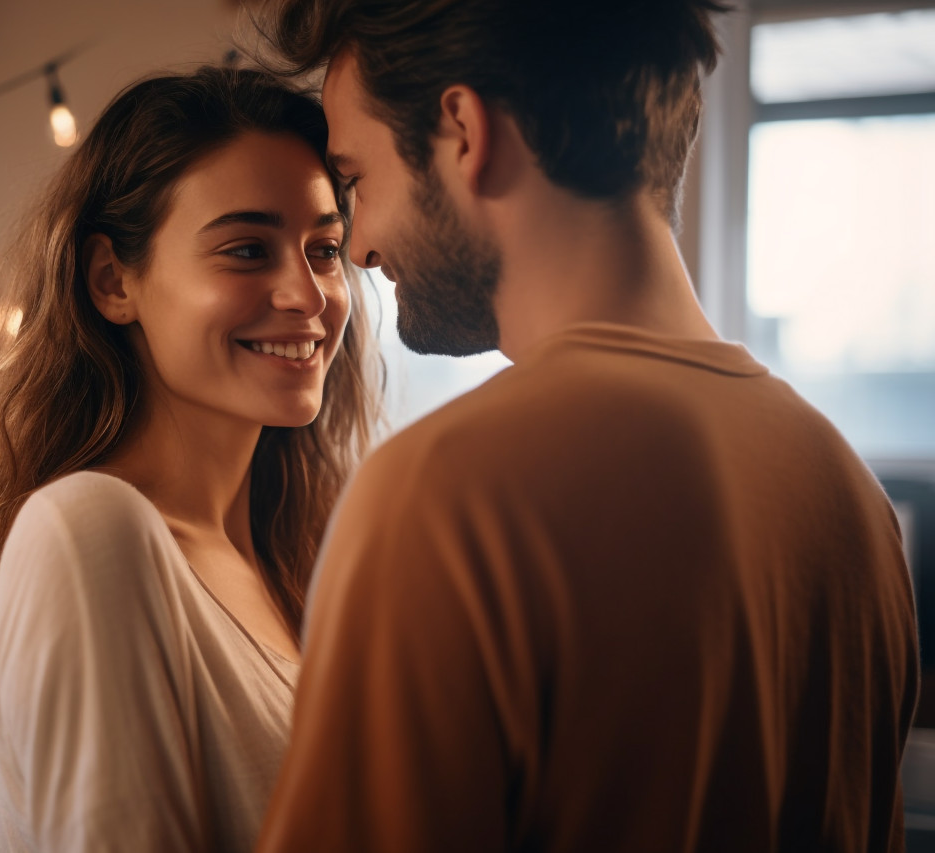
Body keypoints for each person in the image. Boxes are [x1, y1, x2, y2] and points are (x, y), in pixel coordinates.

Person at [254, 1, 919, 851]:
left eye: (356, 179)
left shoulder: (446, 497)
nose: (361, 246)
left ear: (462, 130)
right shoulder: (845, 493)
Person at [0, 66, 379, 852]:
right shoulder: (89, 529)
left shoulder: (294, 557)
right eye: (248, 249)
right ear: (113, 281)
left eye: (324, 249)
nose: (308, 294)